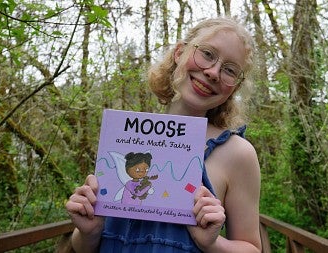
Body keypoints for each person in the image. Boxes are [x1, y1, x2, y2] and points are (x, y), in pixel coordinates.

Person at [65, 17, 261, 253]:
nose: (213, 72)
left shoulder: (237, 153)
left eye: (230, 70)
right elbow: (84, 245)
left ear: (235, 88)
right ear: (179, 52)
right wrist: (89, 232)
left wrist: (212, 243)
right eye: (207, 54)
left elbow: (251, 248)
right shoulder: (125, 137)